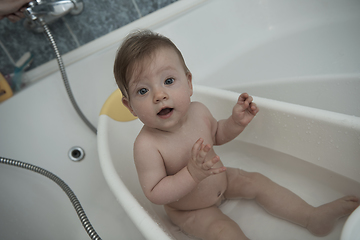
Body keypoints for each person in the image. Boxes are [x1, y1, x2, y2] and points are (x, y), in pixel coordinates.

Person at [113, 30, 359, 240]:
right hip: (191, 210)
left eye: (168, 80)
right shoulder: (147, 145)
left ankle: (311, 217)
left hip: (222, 180)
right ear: (131, 106)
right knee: (223, 230)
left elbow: (218, 134)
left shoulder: (198, 111)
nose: (159, 95)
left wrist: (235, 122)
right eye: (143, 90)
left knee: (258, 182)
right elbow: (155, 193)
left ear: (188, 83)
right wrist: (191, 174)